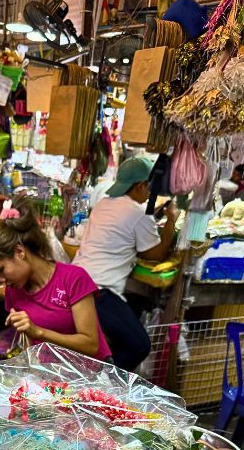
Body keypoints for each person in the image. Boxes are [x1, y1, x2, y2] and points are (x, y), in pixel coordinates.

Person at [72, 155, 175, 370]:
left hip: (75, 281)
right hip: (97, 291)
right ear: (141, 186)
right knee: (139, 346)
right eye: (149, 188)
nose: (149, 194)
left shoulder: (103, 203)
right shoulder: (138, 213)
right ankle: (103, 387)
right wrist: (171, 221)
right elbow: (156, 254)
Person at [0, 199, 111, 360]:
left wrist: (38, 332)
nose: (2, 279)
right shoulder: (13, 290)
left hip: (88, 375)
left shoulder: (73, 278)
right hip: (48, 375)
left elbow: (90, 345)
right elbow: (27, 342)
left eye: (1, 270)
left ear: (19, 252)